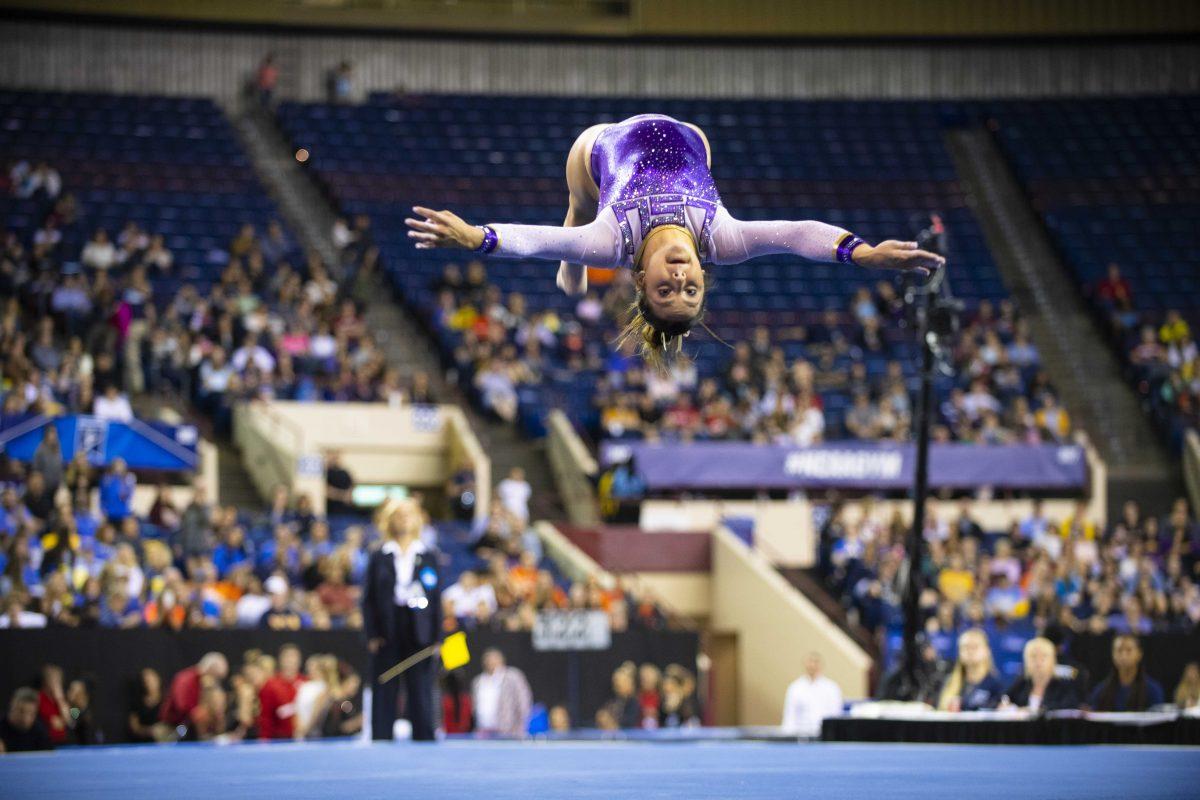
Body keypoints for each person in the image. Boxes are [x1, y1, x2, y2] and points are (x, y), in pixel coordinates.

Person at [406, 114, 943, 369]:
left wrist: (476, 237)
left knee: (574, 226)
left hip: (599, 148)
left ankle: (576, 226)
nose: (682, 283)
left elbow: (533, 241)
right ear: (705, 278)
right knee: (583, 236)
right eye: (692, 293)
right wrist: (864, 252)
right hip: (691, 142)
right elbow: (797, 234)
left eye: (667, 293)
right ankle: (575, 249)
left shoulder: (614, 245)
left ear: (640, 280)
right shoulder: (721, 239)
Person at [362, 497, 442, 741]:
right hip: (388, 626)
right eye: (398, 514)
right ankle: (382, 737)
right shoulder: (379, 555)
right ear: (389, 520)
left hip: (419, 626)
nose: (403, 519)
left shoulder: (427, 555)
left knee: (421, 687)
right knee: (385, 685)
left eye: (409, 514)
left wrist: (437, 637)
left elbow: (435, 599)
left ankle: (425, 737)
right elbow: (369, 599)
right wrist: (372, 634)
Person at [1087, 634, 1165, 712]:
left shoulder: (1153, 690)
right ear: (1112, 654)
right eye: (1119, 650)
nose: (1123, 656)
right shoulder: (1101, 691)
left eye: (1129, 650)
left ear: (1139, 654)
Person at [1002, 637, 1081, 713]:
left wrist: (1038, 710)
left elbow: (1070, 706)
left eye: (1043, 657)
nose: (1038, 662)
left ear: (1052, 659)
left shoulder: (1063, 685)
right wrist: (1005, 705)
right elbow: (1000, 699)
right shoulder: (1022, 682)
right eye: (1033, 656)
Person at [936, 629, 1006, 712]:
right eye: (965, 647)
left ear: (987, 651)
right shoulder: (950, 682)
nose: (970, 651)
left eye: (975, 647)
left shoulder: (995, 685)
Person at [470, 648, 532, 737]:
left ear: (501, 660)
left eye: (494, 659)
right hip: (483, 730)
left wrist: (520, 727)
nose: (490, 662)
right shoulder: (478, 681)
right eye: (488, 659)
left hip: (508, 731)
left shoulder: (513, 677)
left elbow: (524, 701)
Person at [781, 652, 843, 738]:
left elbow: (835, 715)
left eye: (816, 662)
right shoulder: (795, 688)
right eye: (810, 661)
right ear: (805, 664)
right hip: (800, 736)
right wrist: (787, 737)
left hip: (824, 736)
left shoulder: (832, 688)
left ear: (821, 665)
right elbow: (790, 716)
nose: (812, 665)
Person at [160, 652, 229, 728]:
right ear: (210, 670)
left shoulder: (200, 682)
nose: (215, 681)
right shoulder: (187, 679)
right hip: (174, 726)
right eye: (216, 677)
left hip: (186, 725)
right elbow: (183, 706)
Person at [259, 643, 305, 740]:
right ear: (280, 660)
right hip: (280, 739)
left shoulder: (306, 683)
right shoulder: (270, 685)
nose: (291, 661)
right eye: (287, 657)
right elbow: (265, 717)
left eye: (294, 657)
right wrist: (264, 740)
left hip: (304, 739)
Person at [0, 688, 53, 753]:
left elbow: (49, 757)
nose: (26, 719)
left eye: (31, 713)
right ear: (12, 706)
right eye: (21, 711)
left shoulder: (40, 731)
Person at [324, 451, 356, 516]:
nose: (335, 460)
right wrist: (342, 496)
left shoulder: (345, 473)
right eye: (333, 457)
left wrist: (347, 496)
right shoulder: (327, 473)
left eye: (336, 457)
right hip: (331, 511)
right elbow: (326, 490)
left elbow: (351, 487)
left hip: (346, 511)